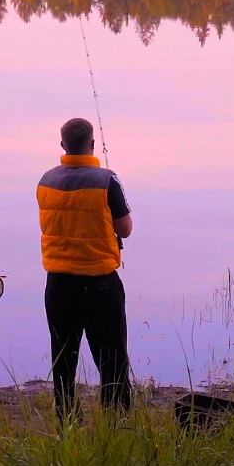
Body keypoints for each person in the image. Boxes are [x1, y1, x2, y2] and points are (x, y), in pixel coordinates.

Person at [36, 117, 133, 419]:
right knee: (112, 361)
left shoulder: (46, 181)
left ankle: (67, 424)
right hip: (101, 284)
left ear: (62, 145)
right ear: (92, 144)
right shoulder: (107, 180)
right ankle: (116, 423)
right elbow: (125, 229)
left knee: (63, 361)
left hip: (58, 284)